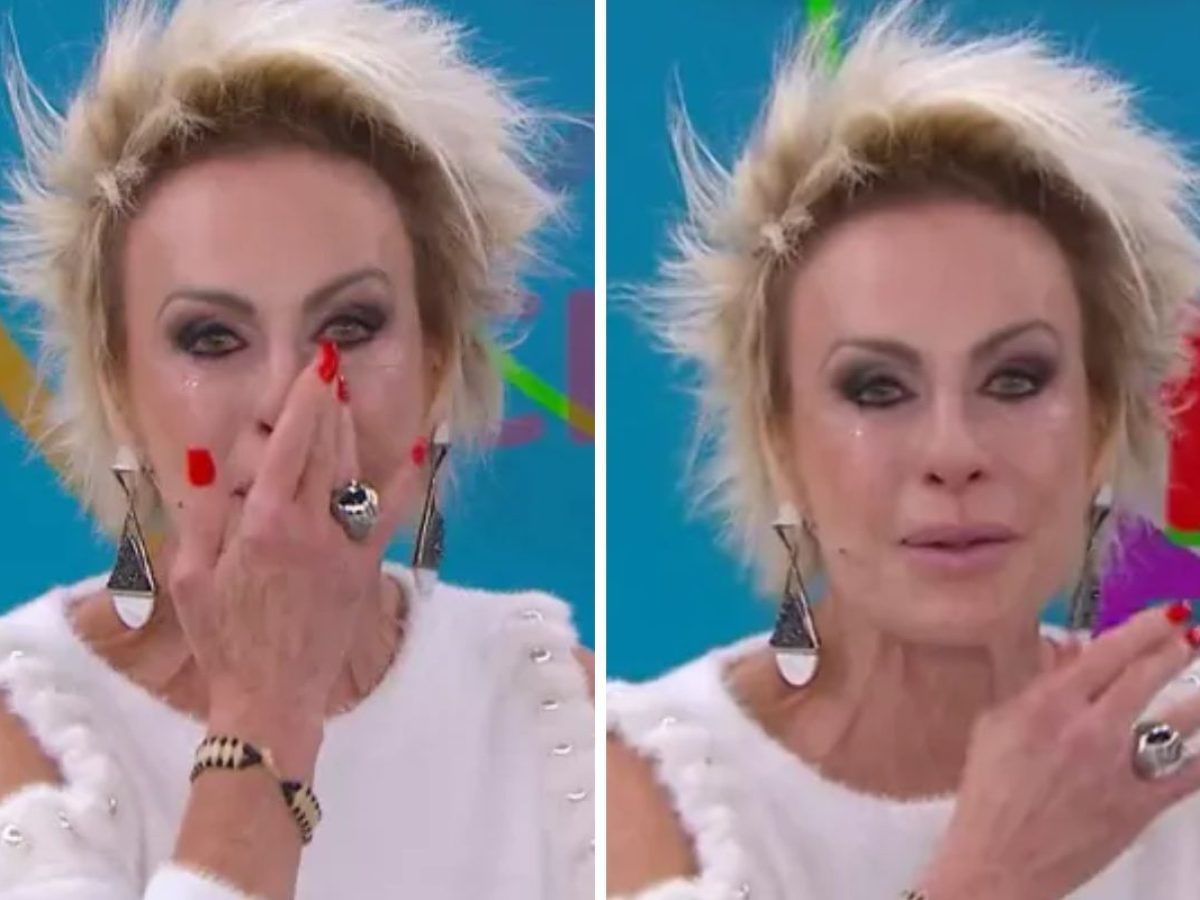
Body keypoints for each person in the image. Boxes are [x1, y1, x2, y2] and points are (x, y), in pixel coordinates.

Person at [0, 0, 593, 897]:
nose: (289, 401)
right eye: (210, 337)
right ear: (117, 385)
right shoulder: (24, 730)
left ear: (437, 361)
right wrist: (266, 709)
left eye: (350, 325)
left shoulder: (557, 717)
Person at [608, 4, 1200, 898]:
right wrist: (992, 876)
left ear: (1104, 421)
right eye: (877, 389)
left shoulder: (1180, 756)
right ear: (779, 439)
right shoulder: (625, 793)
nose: (953, 453)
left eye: (1016, 379)